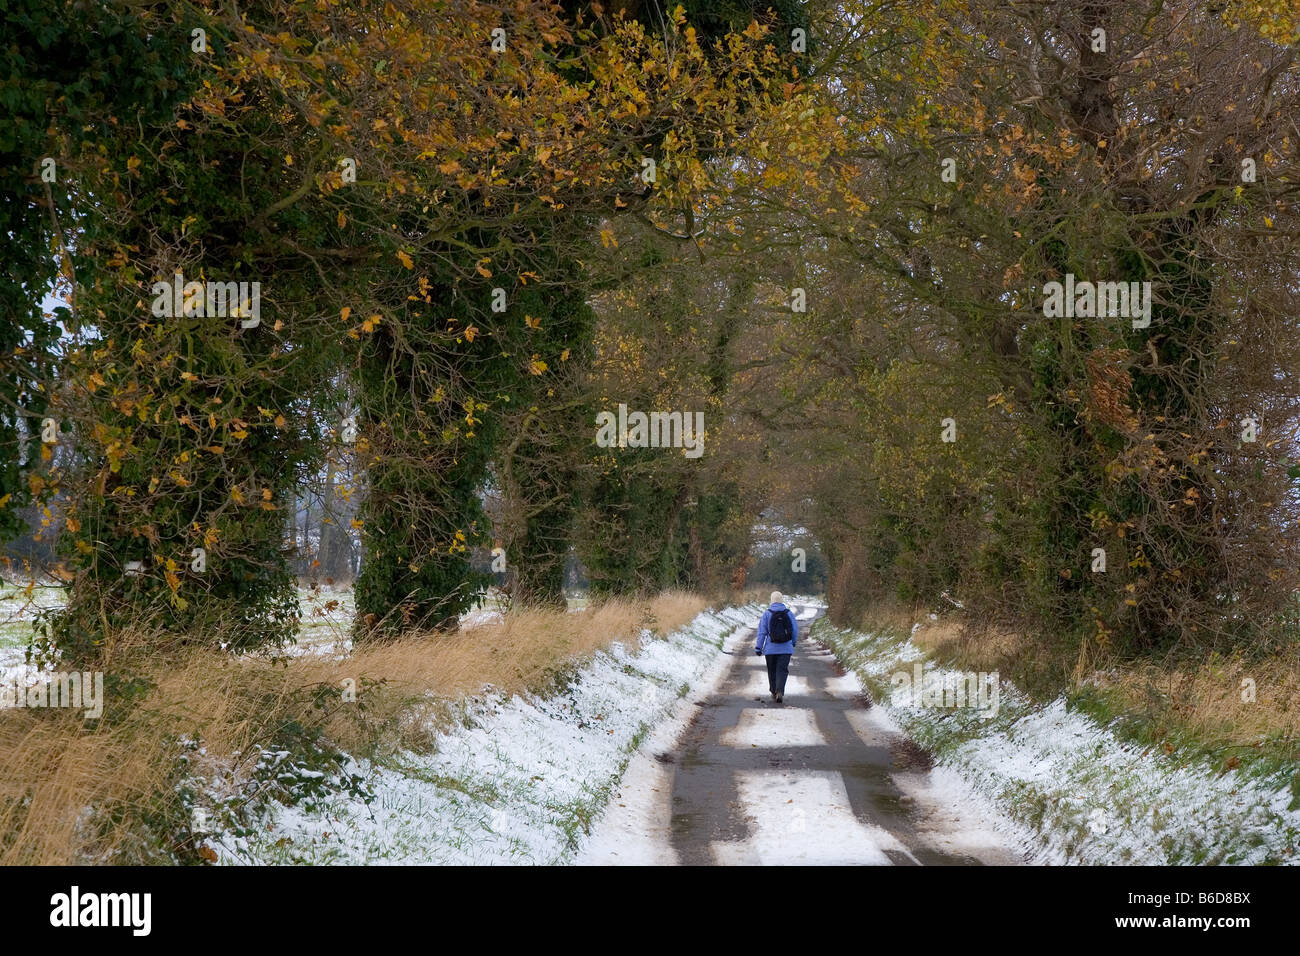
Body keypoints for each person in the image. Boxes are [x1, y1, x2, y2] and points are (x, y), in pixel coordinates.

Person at [755, 591, 798, 703]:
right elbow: (794, 630)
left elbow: (762, 632)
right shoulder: (788, 613)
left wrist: (759, 647)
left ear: (772, 600)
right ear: (781, 600)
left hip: (770, 649)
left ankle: (773, 691)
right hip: (786, 648)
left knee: (772, 670)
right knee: (782, 670)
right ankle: (780, 690)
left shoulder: (767, 614)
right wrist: (792, 642)